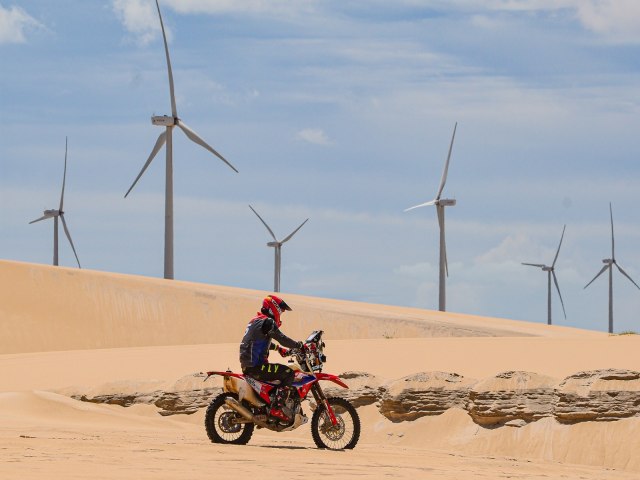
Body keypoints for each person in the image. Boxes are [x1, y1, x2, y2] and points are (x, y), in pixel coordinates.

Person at [239, 294, 303, 422]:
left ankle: (270, 405)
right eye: (281, 310)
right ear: (275, 307)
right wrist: (299, 346)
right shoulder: (268, 322)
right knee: (288, 373)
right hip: (256, 367)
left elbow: (261, 341)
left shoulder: (257, 320)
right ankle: (277, 409)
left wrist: (279, 349)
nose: (282, 313)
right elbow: (282, 338)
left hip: (250, 366)